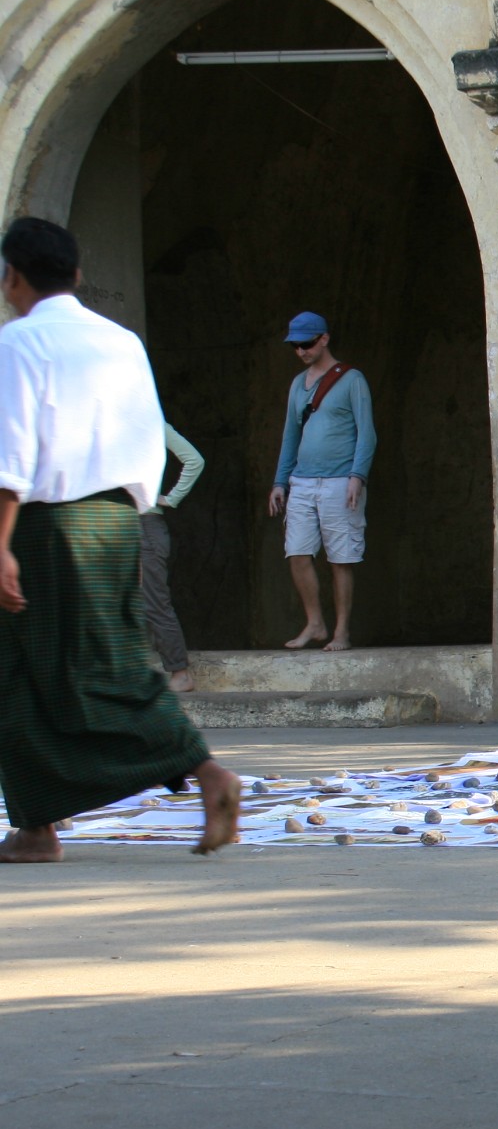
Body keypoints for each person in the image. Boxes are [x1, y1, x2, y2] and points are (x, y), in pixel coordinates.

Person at [0, 216, 239, 862]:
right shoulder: (120, 342)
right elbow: (147, 439)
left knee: (81, 668)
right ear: (76, 275)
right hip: (119, 518)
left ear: (11, 277)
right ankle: (35, 824)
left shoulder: (19, 344)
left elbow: (12, 458)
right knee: (56, 666)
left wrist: (1, 544)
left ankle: (203, 770)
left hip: (49, 526)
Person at [267, 311, 374, 652]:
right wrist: (280, 481)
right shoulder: (299, 384)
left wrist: (358, 475)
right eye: (296, 346)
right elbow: (290, 435)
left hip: (340, 480)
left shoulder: (352, 379)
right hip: (302, 480)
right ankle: (314, 622)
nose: (301, 351)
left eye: (307, 344)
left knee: (340, 558)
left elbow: (367, 434)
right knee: (297, 553)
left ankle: (341, 632)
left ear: (324, 339)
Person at [141, 422, 204, 693]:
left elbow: (195, 460)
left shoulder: (149, 421)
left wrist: (172, 497)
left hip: (143, 523)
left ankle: (180, 672)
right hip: (118, 522)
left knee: (153, 601)